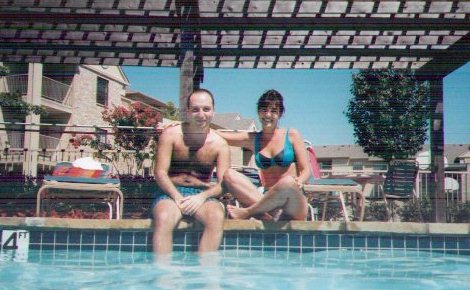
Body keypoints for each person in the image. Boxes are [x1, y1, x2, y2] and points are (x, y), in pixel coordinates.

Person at [152, 89, 230, 255]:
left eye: (206, 109)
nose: (201, 114)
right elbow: (160, 173)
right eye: (195, 109)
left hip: (202, 195)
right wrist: (177, 197)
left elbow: (223, 184)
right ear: (188, 111)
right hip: (170, 192)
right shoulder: (171, 135)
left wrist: (201, 197)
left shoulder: (220, 145)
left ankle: (206, 275)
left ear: (213, 111)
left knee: (216, 217)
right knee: (164, 218)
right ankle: (163, 276)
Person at [218, 89, 311, 221]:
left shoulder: (292, 135)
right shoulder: (253, 138)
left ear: (280, 114)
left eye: (273, 111)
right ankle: (268, 217)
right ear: (258, 112)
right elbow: (222, 136)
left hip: (292, 201)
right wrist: (185, 125)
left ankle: (248, 212)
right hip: (267, 201)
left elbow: (307, 170)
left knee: (288, 182)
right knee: (229, 175)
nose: (268, 115)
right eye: (264, 110)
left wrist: (299, 181)